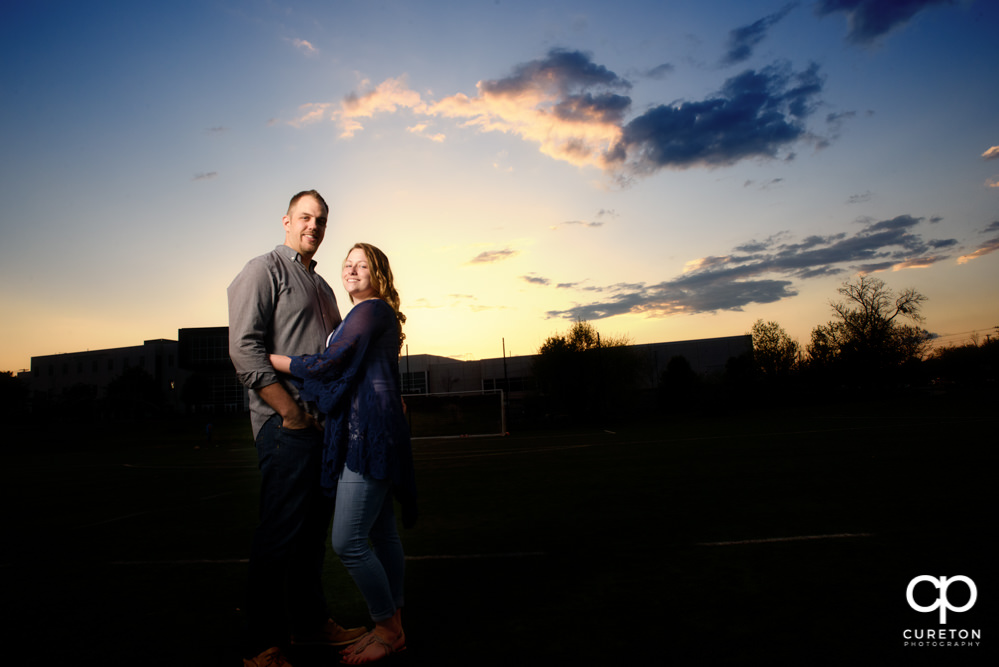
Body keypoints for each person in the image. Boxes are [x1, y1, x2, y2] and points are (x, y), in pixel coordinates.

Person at [228, 190, 365, 667]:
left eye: (321, 220)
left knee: (310, 539)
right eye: (306, 216)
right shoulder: (263, 270)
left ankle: (309, 625)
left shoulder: (324, 287)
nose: (314, 225)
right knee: (280, 534)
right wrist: (289, 412)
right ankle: (261, 643)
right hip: (286, 425)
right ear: (287, 221)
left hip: (325, 430)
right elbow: (244, 348)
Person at [269, 243, 417, 665]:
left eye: (362, 264)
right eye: (347, 263)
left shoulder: (372, 310)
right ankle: (395, 626)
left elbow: (328, 363)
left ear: (379, 273)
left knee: (348, 541)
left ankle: (387, 629)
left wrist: (270, 359)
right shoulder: (355, 314)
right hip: (369, 430)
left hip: (369, 434)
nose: (352, 269)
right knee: (383, 534)